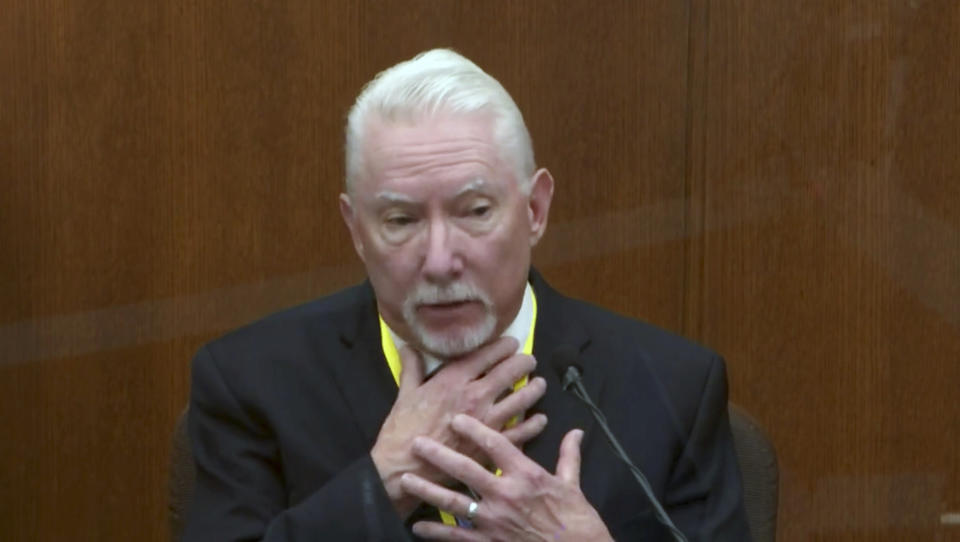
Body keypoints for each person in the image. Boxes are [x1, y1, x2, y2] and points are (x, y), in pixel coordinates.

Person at [183, 49, 751, 541]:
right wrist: (385, 482)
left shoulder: (670, 387)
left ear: (535, 210)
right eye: (401, 220)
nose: (439, 261)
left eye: (475, 212)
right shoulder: (252, 384)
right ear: (356, 229)